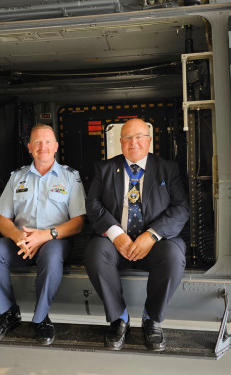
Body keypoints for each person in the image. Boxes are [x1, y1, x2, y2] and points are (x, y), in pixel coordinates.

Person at [85, 118, 189, 351]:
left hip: (154, 243)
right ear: (121, 142)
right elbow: (92, 203)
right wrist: (115, 233)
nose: (134, 143)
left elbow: (181, 208)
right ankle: (119, 318)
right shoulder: (105, 169)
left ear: (149, 140)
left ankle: (151, 319)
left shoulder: (167, 169)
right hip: (116, 243)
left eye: (139, 137)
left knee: (174, 256)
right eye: (128, 138)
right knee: (95, 254)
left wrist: (151, 235)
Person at [0, 124, 86, 345]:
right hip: (21, 241)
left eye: (48, 141)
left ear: (56, 146)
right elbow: (3, 219)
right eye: (37, 142)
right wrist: (18, 236)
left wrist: (45, 236)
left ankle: (41, 319)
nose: (43, 147)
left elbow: (78, 223)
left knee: (50, 256)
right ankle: (8, 313)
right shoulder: (17, 177)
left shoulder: (70, 178)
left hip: (55, 240)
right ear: (29, 147)